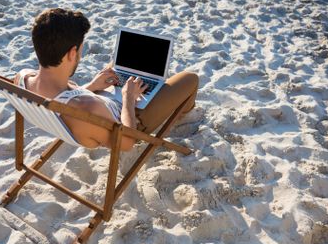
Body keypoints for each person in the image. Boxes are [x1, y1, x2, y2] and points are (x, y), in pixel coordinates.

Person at [14, 8, 198, 151]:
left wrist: (92, 86)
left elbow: (63, 102)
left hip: (99, 105)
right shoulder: (88, 108)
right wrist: (128, 98)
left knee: (116, 65)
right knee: (190, 78)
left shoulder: (22, 79)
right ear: (72, 53)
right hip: (131, 119)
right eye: (80, 50)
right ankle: (184, 112)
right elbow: (126, 143)